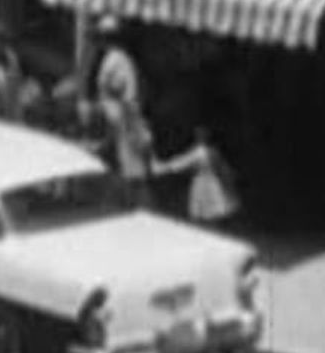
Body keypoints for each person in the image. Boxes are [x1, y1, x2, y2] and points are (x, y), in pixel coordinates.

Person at [92, 15, 153, 201]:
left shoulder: (116, 60)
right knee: (124, 171)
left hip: (123, 122)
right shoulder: (119, 58)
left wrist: (124, 127)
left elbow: (121, 94)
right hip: (120, 120)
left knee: (132, 173)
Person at [157, 123, 239, 226]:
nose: (197, 136)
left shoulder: (200, 151)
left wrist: (163, 167)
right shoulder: (210, 151)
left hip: (203, 183)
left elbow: (182, 163)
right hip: (211, 182)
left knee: (205, 212)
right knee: (211, 212)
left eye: (198, 134)